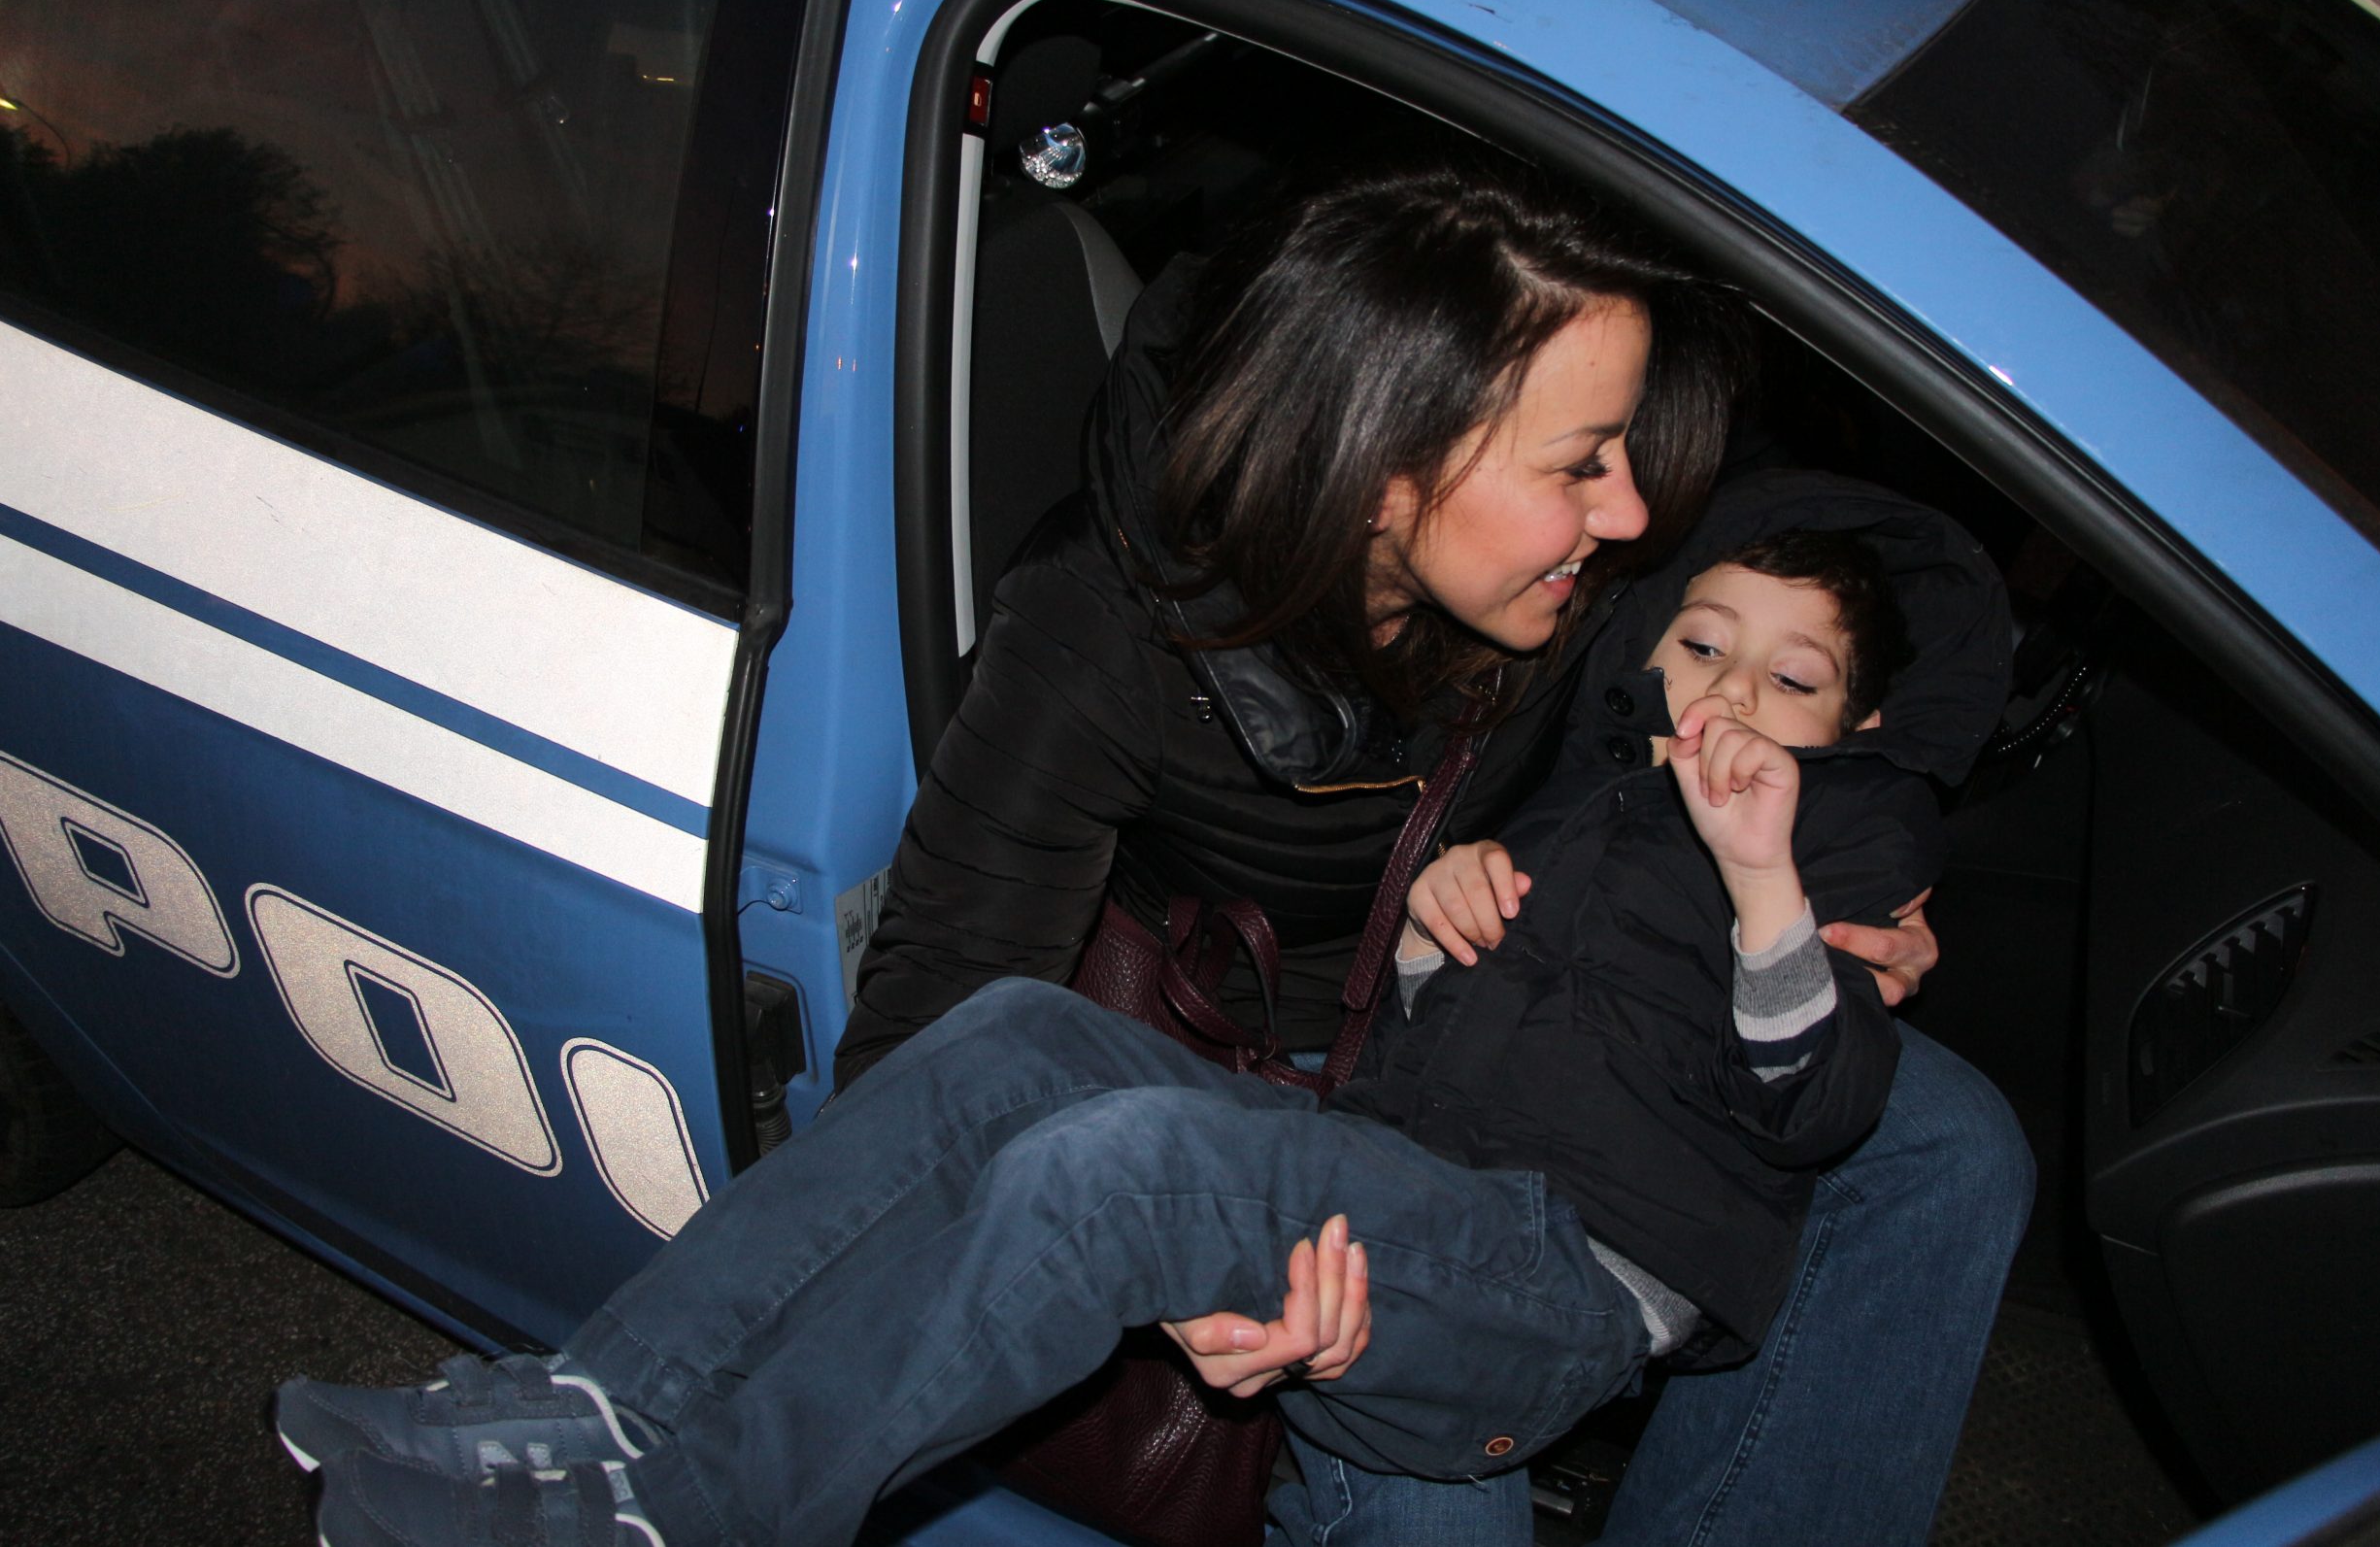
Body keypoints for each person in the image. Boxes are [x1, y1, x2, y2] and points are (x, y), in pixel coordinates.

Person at [283, 151, 2030, 1546]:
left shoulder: (1596, 587)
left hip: (1548, 1099)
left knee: (1949, 1134)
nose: (1636, 513)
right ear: (1386, 473)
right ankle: (604, 1420)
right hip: (1322, 1080)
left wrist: (1825, 873)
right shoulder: (1105, 630)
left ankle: (681, 1514)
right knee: (1018, 1055)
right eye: (1585, 464)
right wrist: (1191, 1253)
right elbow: (938, 1016)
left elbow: (1840, 597)